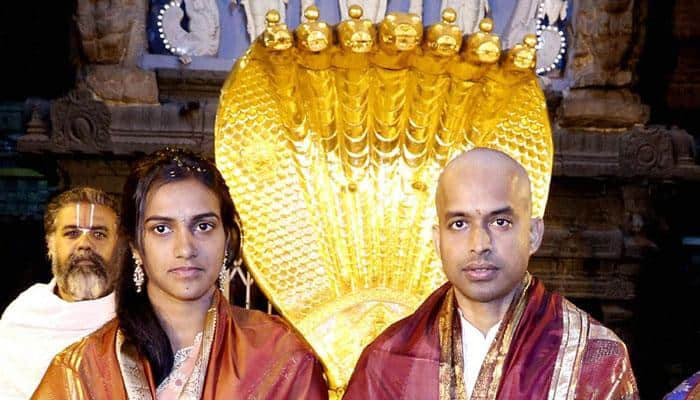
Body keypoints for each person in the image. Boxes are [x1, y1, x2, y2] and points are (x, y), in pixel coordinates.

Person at [33, 148, 328, 399]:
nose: (185, 248)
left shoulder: (279, 356)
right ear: (135, 245)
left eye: (203, 226)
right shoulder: (81, 372)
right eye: (161, 229)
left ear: (227, 237)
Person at [344, 148, 638, 399]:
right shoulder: (386, 361)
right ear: (437, 241)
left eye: (500, 222)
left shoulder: (594, 358)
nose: (480, 244)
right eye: (459, 224)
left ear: (534, 234)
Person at [0, 187, 122, 400]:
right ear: (50, 244)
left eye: (99, 234)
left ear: (121, 246)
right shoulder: (23, 314)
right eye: (72, 233)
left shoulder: (137, 318)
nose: (84, 244)